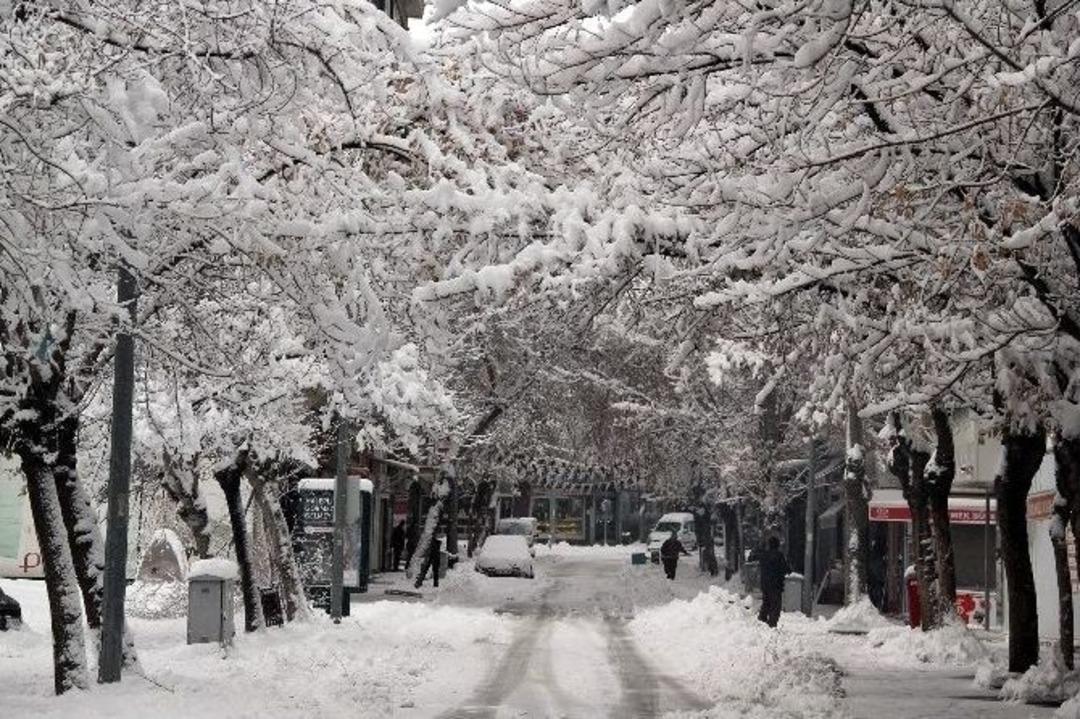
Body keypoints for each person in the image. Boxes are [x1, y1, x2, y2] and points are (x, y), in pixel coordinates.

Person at [758, 536, 790, 628]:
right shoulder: (779, 555)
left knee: (766, 602)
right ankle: (772, 624)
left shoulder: (764, 555)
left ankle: (762, 620)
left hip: (764, 584)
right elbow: (784, 568)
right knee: (775, 605)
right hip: (775, 584)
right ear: (777, 545)